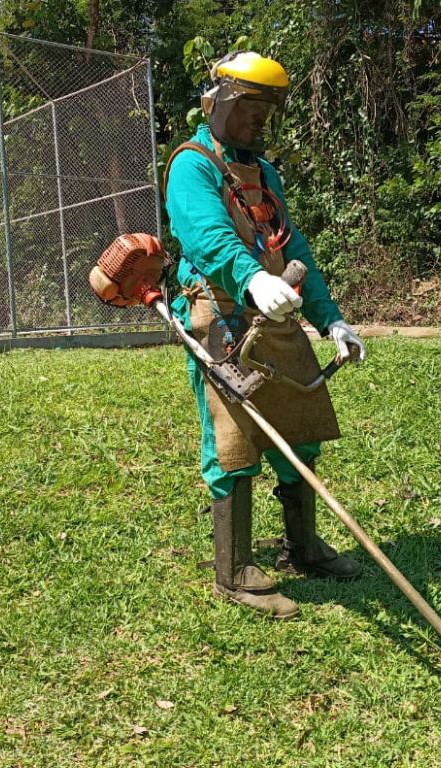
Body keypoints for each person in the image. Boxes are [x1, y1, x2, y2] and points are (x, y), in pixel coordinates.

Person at [163, 51, 367, 619]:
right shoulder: (192, 164)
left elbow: (292, 247)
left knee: (299, 426)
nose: (260, 120)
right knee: (233, 441)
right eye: (251, 106)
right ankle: (233, 570)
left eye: (268, 110)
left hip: (273, 308)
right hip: (220, 310)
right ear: (221, 102)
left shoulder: (265, 172)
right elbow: (205, 236)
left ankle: (303, 548)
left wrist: (331, 319)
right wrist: (251, 277)